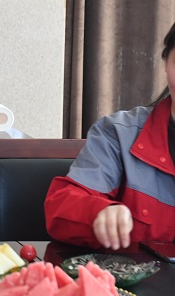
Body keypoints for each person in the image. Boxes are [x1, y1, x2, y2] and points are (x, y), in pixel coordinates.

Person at [45, 21, 175, 250]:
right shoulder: (118, 134)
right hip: (134, 273)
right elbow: (61, 207)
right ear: (165, 63)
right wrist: (99, 213)